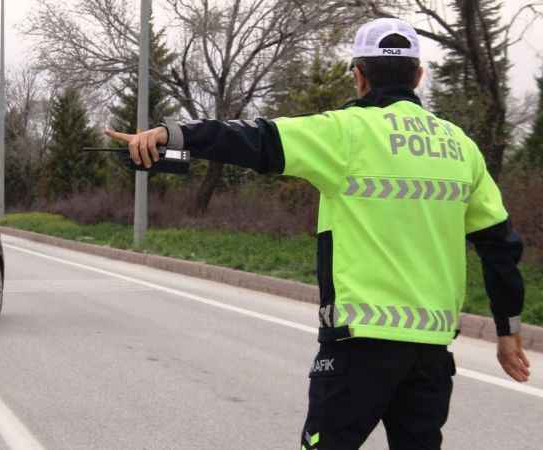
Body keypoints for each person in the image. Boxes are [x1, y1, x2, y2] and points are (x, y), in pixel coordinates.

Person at [106, 18, 530, 450]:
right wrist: (507, 330)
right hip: (431, 355)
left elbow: (257, 140)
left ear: (359, 75)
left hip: (358, 347)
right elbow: (500, 246)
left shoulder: (346, 131)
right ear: (418, 75)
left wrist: (174, 134)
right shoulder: (461, 147)